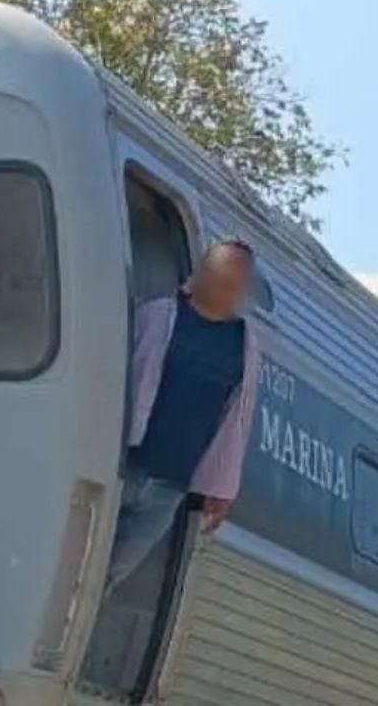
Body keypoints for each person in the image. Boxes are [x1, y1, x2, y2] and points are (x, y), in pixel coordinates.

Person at [105, 239, 265, 592]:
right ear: (201, 273)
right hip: (121, 462)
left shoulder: (244, 347)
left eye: (233, 284)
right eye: (219, 278)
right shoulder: (156, 316)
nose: (224, 290)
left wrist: (223, 486)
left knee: (112, 572)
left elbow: (236, 420)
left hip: (170, 486)